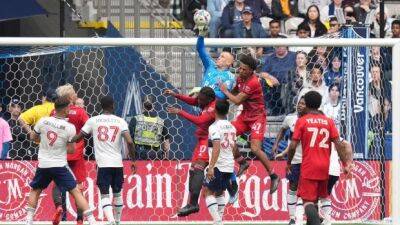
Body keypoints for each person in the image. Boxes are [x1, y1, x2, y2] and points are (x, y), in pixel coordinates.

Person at [25, 97, 97, 225]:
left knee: (35, 190)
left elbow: (33, 137)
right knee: (75, 191)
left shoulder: (43, 121)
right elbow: (71, 150)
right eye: (69, 107)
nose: (70, 109)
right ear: (64, 109)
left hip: (44, 164)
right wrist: (61, 143)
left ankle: (28, 220)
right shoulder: (69, 127)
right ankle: (91, 220)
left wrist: (45, 142)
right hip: (59, 165)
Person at [287, 91, 353, 225]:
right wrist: (345, 164)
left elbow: (293, 145)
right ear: (318, 104)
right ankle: (325, 221)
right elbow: (339, 145)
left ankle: (312, 222)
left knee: (307, 202)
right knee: (322, 197)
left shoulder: (302, 121)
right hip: (325, 167)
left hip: (309, 166)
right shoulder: (328, 121)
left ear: (307, 105)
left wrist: (289, 162)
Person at [220, 54, 280, 193]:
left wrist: (224, 90)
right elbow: (233, 92)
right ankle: (242, 162)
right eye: (240, 68)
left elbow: (236, 100)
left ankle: (273, 175)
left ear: (251, 71)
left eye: (244, 69)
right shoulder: (240, 78)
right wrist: (222, 93)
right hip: (245, 116)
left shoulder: (253, 82)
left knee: (255, 149)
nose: (240, 71)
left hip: (257, 117)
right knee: (226, 134)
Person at [72, 95, 136, 225]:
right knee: (117, 194)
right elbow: (129, 141)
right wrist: (133, 160)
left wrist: (67, 140)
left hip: (103, 164)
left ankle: (111, 220)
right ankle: (117, 221)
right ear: (113, 105)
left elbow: (79, 137)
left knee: (105, 194)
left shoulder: (93, 120)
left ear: (101, 106)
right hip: (117, 164)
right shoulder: (120, 121)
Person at [165, 87, 219, 216]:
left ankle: (194, 204)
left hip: (208, 141)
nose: (198, 101)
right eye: (199, 98)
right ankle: (192, 203)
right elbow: (193, 101)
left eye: (201, 99)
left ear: (209, 99)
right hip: (201, 140)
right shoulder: (204, 102)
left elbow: (200, 121)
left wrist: (180, 112)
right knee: (193, 171)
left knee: (198, 168)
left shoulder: (213, 107)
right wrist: (176, 95)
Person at [51, 84, 90, 225]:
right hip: (77, 153)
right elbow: (88, 127)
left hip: (60, 153)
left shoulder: (53, 113)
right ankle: (80, 219)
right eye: (74, 93)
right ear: (69, 96)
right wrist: (77, 138)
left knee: (56, 183)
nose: (76, 95)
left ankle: (59, 207)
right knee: (79, 187)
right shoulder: (80, 112)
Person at [272, 97, 306, 225]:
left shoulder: (309, 121)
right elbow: (282, 130)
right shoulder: (290, 119)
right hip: (294, 160)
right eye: (299, 103)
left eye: (303, 104)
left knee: (306, 190)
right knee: (292, 187)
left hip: (308, 160)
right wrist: (276, 144)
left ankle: (303, 217)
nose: (300, 106)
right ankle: (292, 218)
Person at [204, 100, 236, 225]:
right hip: (229, 165)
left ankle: (217, 221)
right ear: (227, 111)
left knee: (208, 192)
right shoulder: (232, 127)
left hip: (218, 165)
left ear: (215, 110)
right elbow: (233, 146)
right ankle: (220, 219)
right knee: (219, 192)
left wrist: (211, 167)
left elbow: (216, 146)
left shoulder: (214, 127)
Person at [196, 30, 235, 100]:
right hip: (200, 105)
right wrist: (201, 35)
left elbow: (223, 95)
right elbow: (200, 48)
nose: (219, 58)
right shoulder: (210, 65)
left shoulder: (230, 77)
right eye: (219, 56)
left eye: (222, 57)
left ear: (229, 63)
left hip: (213, 108)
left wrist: (204, 93)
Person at [129, 95, 171, 160]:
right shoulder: (161, 121)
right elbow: (166, 145)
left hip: (139, 157)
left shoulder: (135, 119)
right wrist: (166, 159)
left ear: (142, 106)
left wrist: (130, 157)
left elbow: (130, 142)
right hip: (155, 157)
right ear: (153, 106)